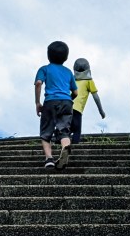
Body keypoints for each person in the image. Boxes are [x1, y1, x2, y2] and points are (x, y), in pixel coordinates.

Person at [35, 40, 77, 171]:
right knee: (64, 130)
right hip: (66, 102)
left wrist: (37, 102)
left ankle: (49, 159)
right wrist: (68, 99)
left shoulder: (44, 69)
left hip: (50, 101)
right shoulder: (68, 72)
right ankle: (65, 147)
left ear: (48, 55)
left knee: (46, 131)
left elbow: (38, 83)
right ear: (66, 57)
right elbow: (75, 92)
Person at [70, 57, 106, 145]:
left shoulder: (72, 80)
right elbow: (96, 97)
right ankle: (74, 148)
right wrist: (101, 111)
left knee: (67, 127)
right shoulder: (89, 81)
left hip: (66, 105)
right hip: (77, 109)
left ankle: (59, 142)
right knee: (77, 130)